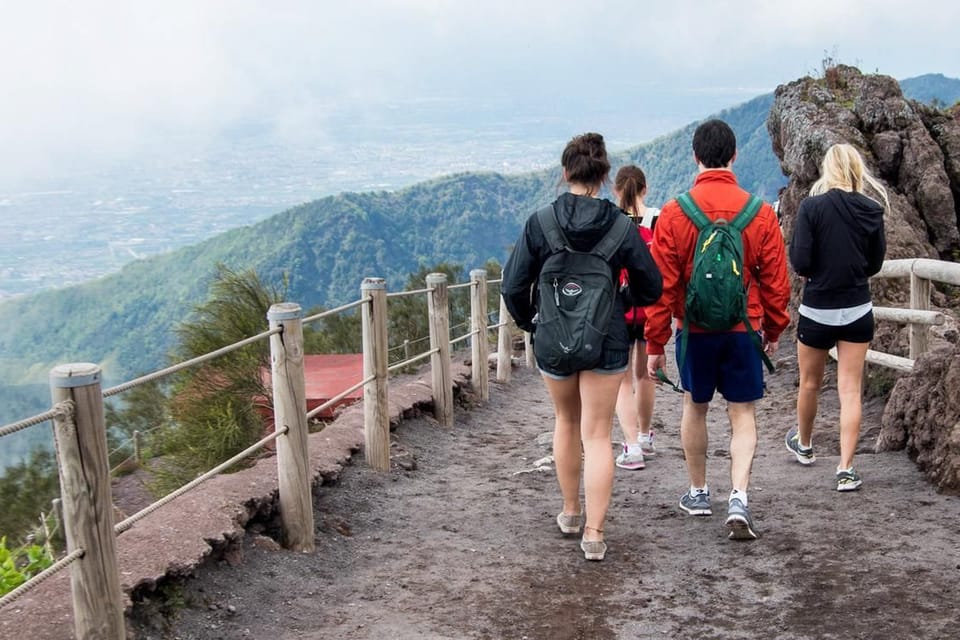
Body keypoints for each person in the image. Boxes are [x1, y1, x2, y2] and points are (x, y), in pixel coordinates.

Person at [502, 133, 662, 560]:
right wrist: (618, 302)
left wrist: (531, 323)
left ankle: (571, 512)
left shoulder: (541, 223)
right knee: (597, 434)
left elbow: (513, 284)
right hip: (607, 339)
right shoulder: (622, 226)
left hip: (553, 338)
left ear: (564, 173)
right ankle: (594, 533)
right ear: (605, 176)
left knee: (566, 422)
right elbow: (652, 285)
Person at [644, 119, 790, 540]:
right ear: (734, 156)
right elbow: (776, 282)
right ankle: (739, 497)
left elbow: (662, 286)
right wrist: (774, 329)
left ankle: (698, 491)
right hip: (746, 327)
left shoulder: (674, 213)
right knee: (742, 414)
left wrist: (655, 344)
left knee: (695, 405)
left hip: (694, 330)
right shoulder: (760, 214)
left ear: (694, 156)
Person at [786, 143, 888, 492]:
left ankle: (805, 444)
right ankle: (846, 468)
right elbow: (874, 264)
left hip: (817, 308)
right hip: (857, 309)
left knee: (810, 382)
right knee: (850, 391)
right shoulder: (872, 210)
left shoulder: (811, 208)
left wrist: (813, 271)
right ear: (858, 170)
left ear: (828, 170)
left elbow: (799, 261)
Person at [612, 165, 660, 470]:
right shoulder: (659, 218)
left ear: (617, 191)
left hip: (618, 307)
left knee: (621, 379)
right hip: (650, 307)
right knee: (645, 374)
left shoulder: (612, 223)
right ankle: (644, 436)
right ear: (645, 188)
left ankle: (631, 447)